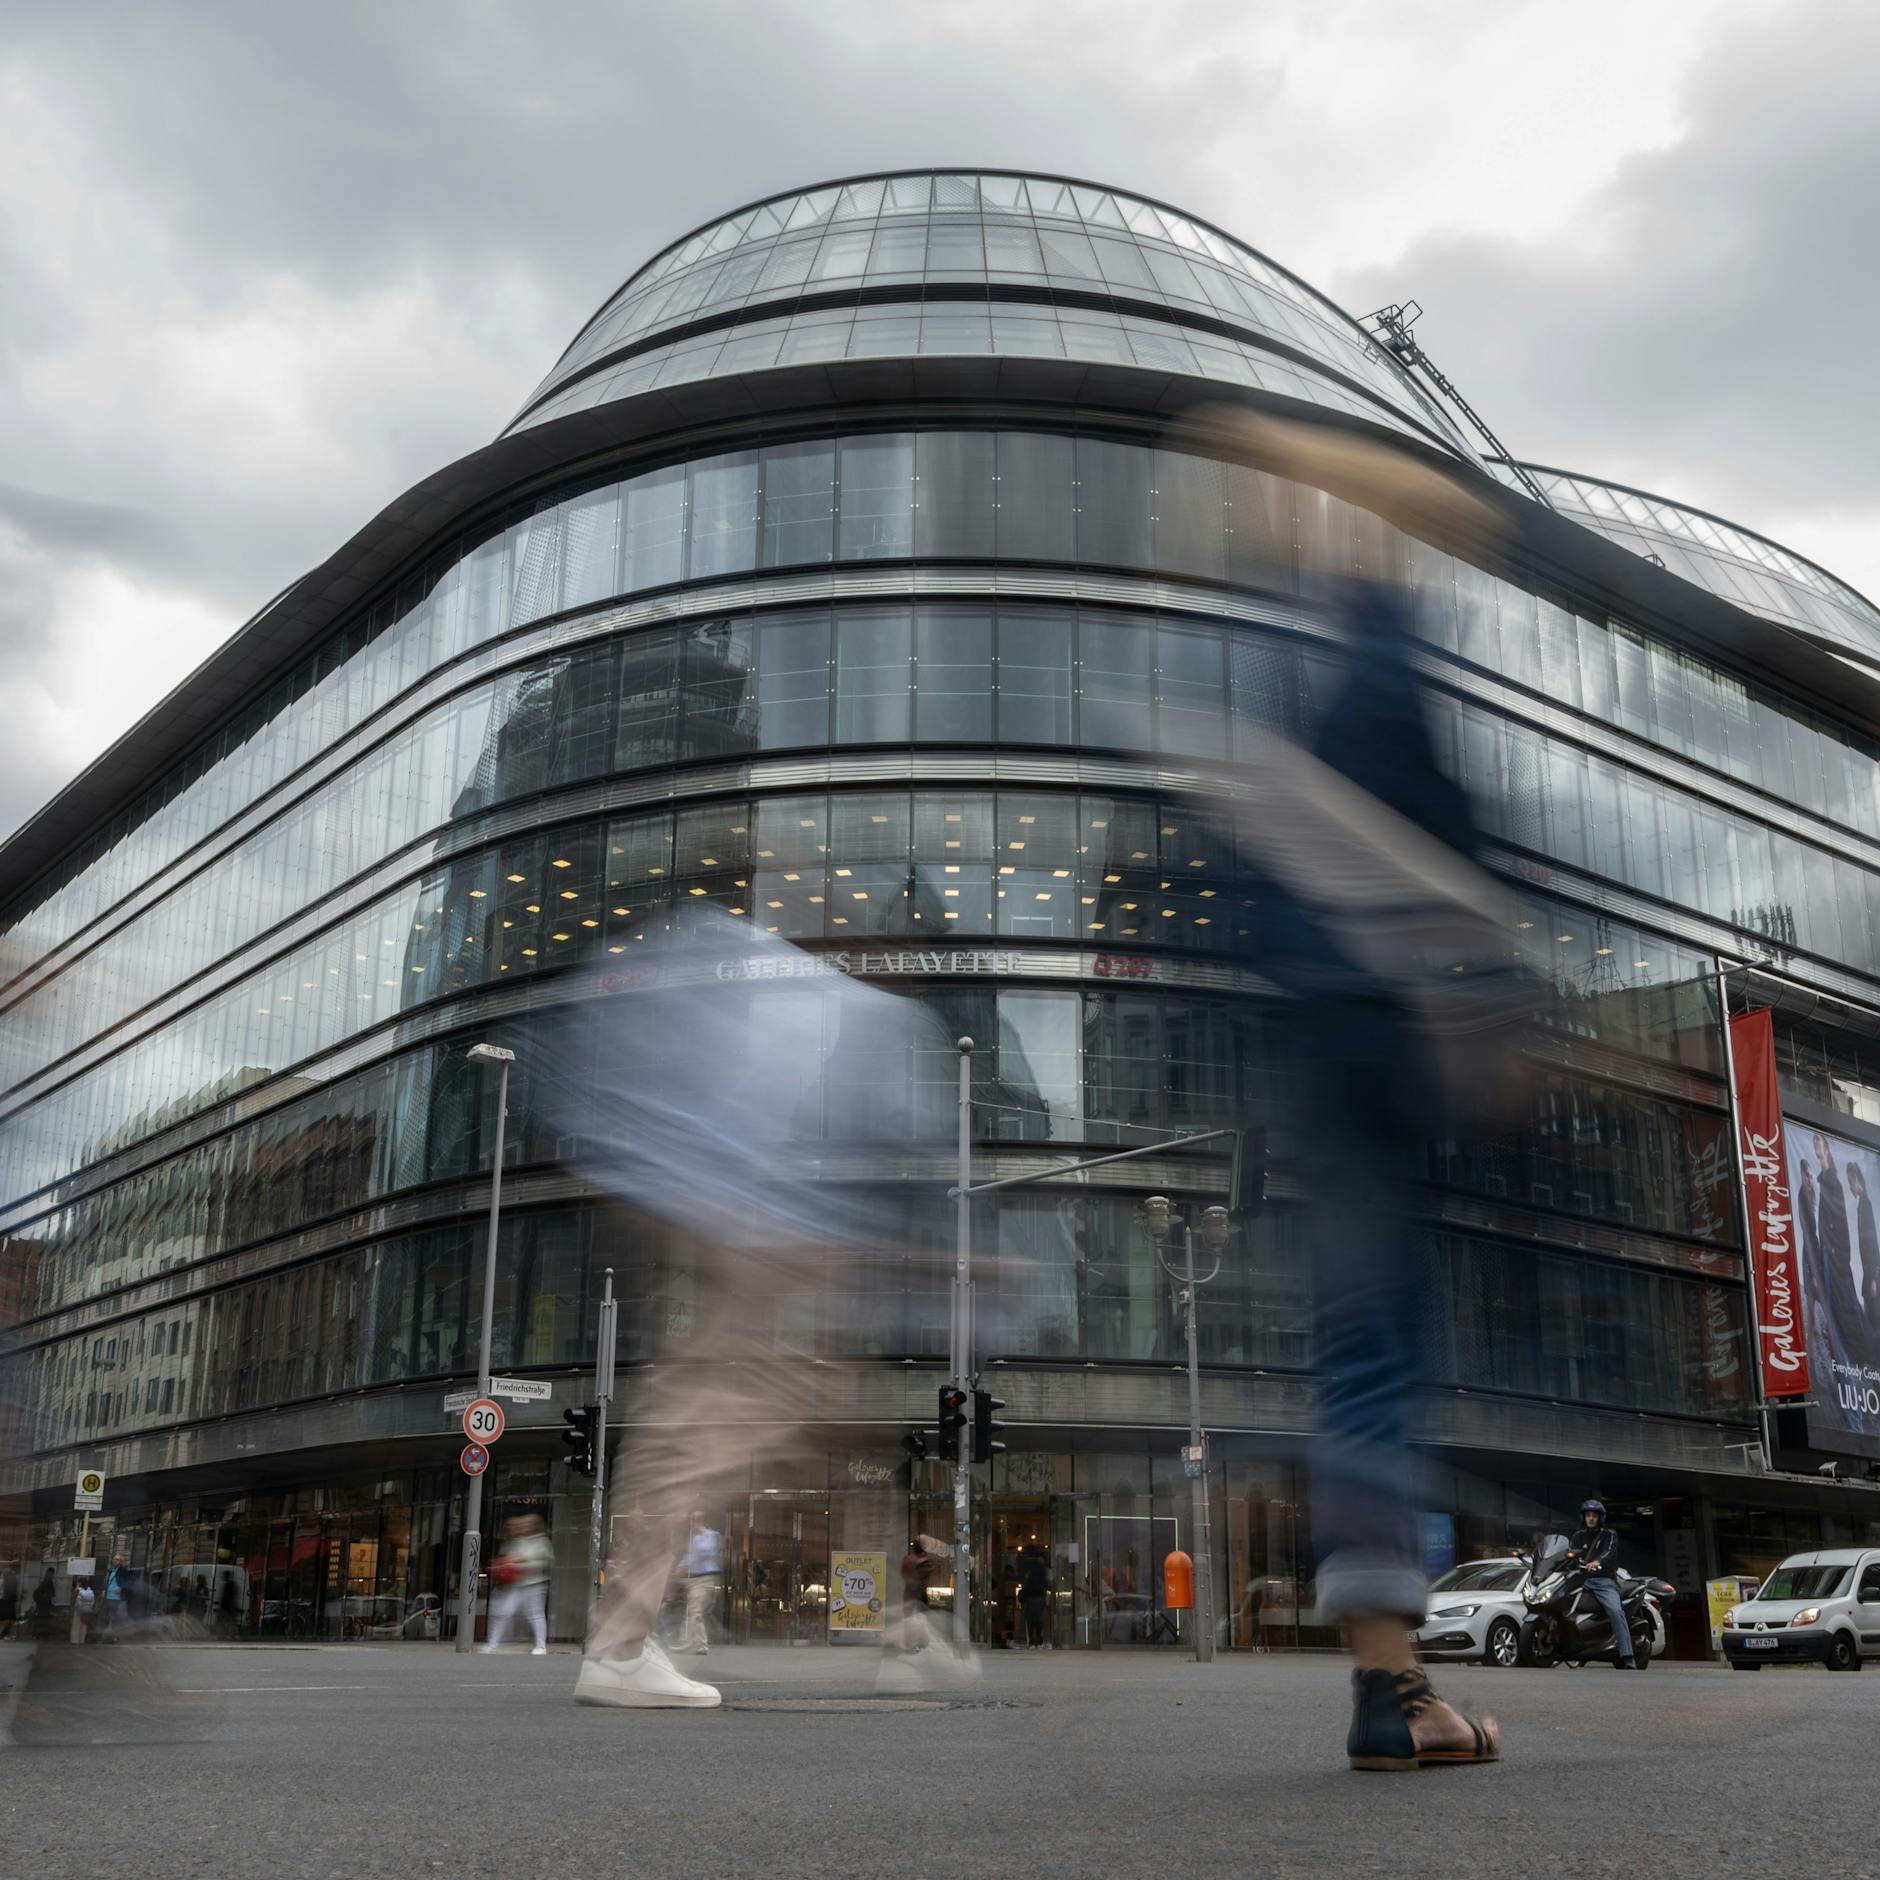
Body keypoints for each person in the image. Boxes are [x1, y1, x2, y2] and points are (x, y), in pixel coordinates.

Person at [1564, 1499, 1635, 1669]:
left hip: (1604, 1581)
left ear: (1600, 1518)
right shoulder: (1577, 1536)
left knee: (1616, 1612)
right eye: (1588, 1515)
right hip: (1582, 1580)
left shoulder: (1609, 1535)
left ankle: (1627, 1655)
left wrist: (1597, 1562)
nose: (1591, 1519)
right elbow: (1570, 1555)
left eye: (1594, 1516)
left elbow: (1609, 1553)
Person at [483, 1513, 553, 1654]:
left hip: (535, 1584)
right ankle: (492, 1644)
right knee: (504, 1612)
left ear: (534, 1526)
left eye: (527, 1524)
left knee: (535, 1614)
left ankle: (541, 1646)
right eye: (523, 1524)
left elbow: (545, 1562)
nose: (523, 1526)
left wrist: (520, 1564)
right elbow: (509, 1560)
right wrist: (501, 1567)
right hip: (518, 1584)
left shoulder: (542, 1542)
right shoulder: (517, 1542)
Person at [676, 1516, 722, 1657]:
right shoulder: (694, 1539)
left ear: (701, 1522)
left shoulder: (712, 1536)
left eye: (695, 1523)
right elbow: (689, 1556)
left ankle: (700, 1644)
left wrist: (686, 1563)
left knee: (695, 1612)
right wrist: (680, 1567)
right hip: (695, 1579)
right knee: (692, 1610)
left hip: (707, 1578)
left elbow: (705, 1551)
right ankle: (687, 1641)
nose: (692, 1526)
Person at [1020, 1552, 1050, 1649]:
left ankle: (1032, 1642)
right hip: (1039, 1597)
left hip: (1030, 1598)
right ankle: (1039, 1641)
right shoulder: (1043, 1570)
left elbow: (1025, 1583)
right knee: (1039, 1620)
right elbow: (1046, 1583)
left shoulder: (1029, 1570)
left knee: (1030, 1620)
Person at [32, 1570, 55, 1638]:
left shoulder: (45, 1581)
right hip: (44, 1604)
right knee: (43, 1619)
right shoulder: (48, 1581)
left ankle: (38, 1633)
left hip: (42, 1603)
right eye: (52, 1574)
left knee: (41, 1618)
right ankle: (40, 1633)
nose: (53, 1575)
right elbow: (49, 1593)